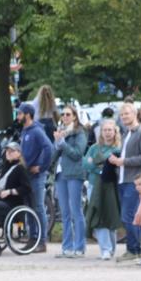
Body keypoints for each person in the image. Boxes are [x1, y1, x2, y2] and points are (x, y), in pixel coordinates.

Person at [106, 102, 141, 262]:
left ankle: (134, 249)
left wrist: (123, 161)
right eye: (121, 114)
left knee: (128, 215)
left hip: (135, 181)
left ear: (135, 114)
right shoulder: (128, 134)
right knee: (129, 215)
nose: (124, 116)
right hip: (124, 179)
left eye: (127, 113)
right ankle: (136, 248)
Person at [16, 102, 53, 253]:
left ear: (27, 115)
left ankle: (42, 241)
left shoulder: (36, 131)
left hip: (37, 176)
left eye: (20, 113)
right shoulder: (24, 131)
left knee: (38, 207)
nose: (18, 116)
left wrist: (42, 166)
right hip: (27, 175)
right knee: (29, 207)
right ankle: (33, 239)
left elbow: (49, 148)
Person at [53, 104, 87, 257]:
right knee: (65, 212)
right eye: (63, 114)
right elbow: (57, 154)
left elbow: (78, 153)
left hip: (74, 173)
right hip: (60, 173)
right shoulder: (62, 132)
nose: (65, 117)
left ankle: (79, 247)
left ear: (74, 116)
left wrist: (62, 144)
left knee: (76, 211)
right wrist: (56, 145)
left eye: (68, 114)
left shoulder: (80, 132)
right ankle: (67, 247)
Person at [84, 119, 121, 260]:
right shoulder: (94, 147)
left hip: (111, 187)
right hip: (94, 185)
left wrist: (97, 163)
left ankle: (111, 248)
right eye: (104, 130)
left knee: (111, 217)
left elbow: (114, 165)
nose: (107, 133)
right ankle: (105, 249)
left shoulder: (118, 148)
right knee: (97, 216)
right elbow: (85, 163)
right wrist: (100, 169)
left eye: (110, 130)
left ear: (115, 131)